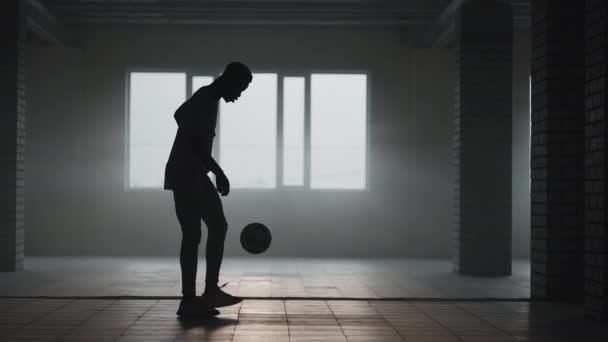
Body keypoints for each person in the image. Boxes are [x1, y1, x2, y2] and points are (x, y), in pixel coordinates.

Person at [164, 62, 252, 317]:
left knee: (203, 231)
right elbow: (196, 143)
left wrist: (192, 137)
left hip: (189, 173)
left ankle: (197, 297)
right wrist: (219, 172)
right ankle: (199, 296)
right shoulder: (205, 98)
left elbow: (179, 115)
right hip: (188, 173)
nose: (240, 94)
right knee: (204, 230)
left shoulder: (207, 97)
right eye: (240, 87)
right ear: (229, 80)